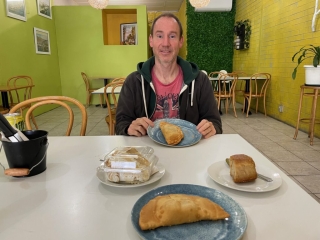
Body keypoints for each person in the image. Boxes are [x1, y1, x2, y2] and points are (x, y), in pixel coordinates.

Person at [115, 13, 222, 138]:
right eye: (159, 36)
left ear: (180, 41)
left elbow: (215, 123)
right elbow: (121, 123)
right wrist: (128, 128)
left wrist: (211, 127)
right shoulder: (133, 81)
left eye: (172, 36)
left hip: (188, 152)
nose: (165, 43)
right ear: (151, 40)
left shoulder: (200, 81)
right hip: (147, 152)